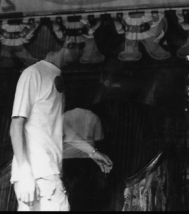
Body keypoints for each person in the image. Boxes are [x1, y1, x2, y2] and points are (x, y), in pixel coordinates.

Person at [9, 42, 112, 211]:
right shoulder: (34, 73)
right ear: (68, 44)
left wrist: (92, 152)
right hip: (38, 174)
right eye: (80, 46)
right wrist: (25, 174)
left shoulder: (53, 76)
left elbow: (62, 129)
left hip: (47, 172)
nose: (82, 52)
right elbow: (16, 125)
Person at [62, 107, 111, 211]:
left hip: (67, 159)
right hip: (88, 159)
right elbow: (98, 138)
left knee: (69, 193)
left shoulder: (64, 115)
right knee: (85, 195)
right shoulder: (93, 116)